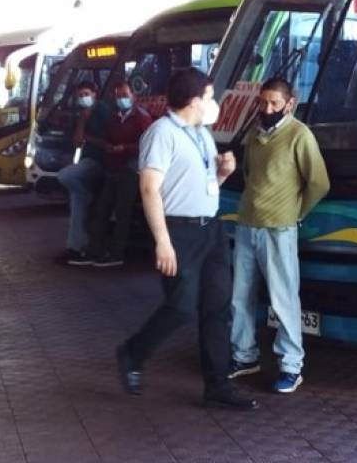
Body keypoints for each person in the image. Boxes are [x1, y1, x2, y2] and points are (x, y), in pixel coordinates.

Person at [116, 68, 257, 410]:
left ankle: (217, 386)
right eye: (209, 97)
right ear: (195, 101)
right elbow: (149, 188)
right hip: (178, 232)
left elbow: (204, 184)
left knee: (217, 307)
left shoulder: (201, 133)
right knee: (180, 307)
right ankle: (132, 353)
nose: (213, 104)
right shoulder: (161, 134)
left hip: (211, 229)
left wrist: (222, 173)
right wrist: (162, 241)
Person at [229, 78, 330, 394]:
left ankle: (290, 366)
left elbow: (319, 183)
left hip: (279, 228)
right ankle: (244, 357)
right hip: (247, 224)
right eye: (263, 102)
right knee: (239, 296)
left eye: (274, 103)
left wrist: (295, 213)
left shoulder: (299, 135)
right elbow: (249, 175)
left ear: (290, 103)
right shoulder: (255, 134)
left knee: (283, 299)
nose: (267, 109)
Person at [85, 81, 152, 267]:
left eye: (125, 95)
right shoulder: (115, 118)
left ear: (134, 96)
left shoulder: (142, 118)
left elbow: (147, 145)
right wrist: (108, 146)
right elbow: (108, 137)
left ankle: (117, 253)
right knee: (102, 210)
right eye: (119, 96)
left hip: (131, 171)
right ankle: (94, 249)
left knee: (123, 213)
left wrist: (125, 148)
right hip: (113, 169)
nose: (121, 99)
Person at [58, 81, 111, 265]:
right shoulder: (82, 114)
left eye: (86, 94)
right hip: (86, 160)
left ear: (95, 94)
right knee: (76, 201)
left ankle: (83, 193)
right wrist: (82, 120)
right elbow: (77, 141)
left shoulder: (103, 111)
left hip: (99, 162)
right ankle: (75, 247)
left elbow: (107, 142)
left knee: (65, 176)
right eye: (80, 96)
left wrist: (88, 137)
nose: (83, 98)